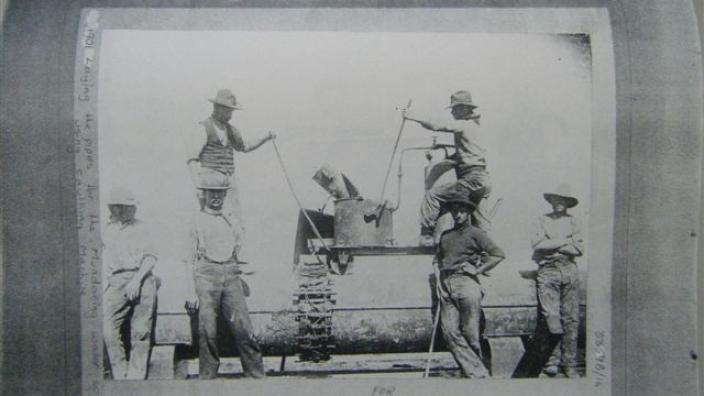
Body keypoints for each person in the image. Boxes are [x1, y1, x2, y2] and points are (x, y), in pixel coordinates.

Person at [183, 170, 265, 379]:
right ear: (204, 194)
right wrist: (190, 291)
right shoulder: (195, 220)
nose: (217, 197)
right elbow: (188, 260)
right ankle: (207, 381)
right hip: (205, 276)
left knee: (244, 328)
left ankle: (257, 378)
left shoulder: (231, 220)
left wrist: (246, 266)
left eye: (221, 193)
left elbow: (241, 250)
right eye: (212, 193)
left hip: (230, 275)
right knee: (207, 331)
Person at [403, 90, 492, 246]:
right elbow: (469, 156)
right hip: (483, 180)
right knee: (481, 223)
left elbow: (437, 125)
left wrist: (413, 116)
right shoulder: (476, 127)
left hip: (471, 178)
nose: (452, 112)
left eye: (455, 109)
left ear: (465, 109)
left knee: (433, 196)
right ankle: (484, 252)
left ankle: (427, 236)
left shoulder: (464, 124)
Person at [512, 183, 583, 378]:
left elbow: (579, 249)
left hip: (569, 269)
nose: (557, 203)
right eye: (554, 199)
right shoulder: (541, 220)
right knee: (550, 317)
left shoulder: (574, 221)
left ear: (567, 203)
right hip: (547, 270)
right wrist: (565, 242)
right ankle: (550, 361)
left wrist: (553, 245)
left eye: (562, 200)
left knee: (571, 318)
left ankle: (569, 364)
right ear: (550, 200)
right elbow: (537, 244)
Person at [433, 191, 505, 378]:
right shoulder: (445, 236)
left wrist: (478, 270)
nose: (458, 214)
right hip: (446, 285)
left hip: (466, 284)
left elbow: (498, 254)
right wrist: (439, 284)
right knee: (449, 333)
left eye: (462, 211)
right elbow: (438, 260)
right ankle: (479, 373)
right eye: (455, 211)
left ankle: (475, 378)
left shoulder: (476, 233)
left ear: (468, 213)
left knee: (471, 336)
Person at [185, 88, 276, 226]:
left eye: (232, 110)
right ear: (218, 108)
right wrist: (198, 186)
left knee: (235, 222)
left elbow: (244, 146)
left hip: (228, 183)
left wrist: (266, 138)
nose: (231, 114)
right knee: (207, 221)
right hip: (210, 183)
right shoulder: (203, 127)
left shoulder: (231, 130)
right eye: (229, 110)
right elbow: (192, 159)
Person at [102, 187, 158, 380]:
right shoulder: (106, 230)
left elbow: (151, 257)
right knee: (107, 327)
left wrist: (136, 280)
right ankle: (120, 373)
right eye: (124, 206)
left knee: (141, 331)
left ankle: (135, 379)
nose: (130, 210)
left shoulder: (142, 228)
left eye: (131, 206)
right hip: (116, 281)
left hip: (142, 279)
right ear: (115, 208)